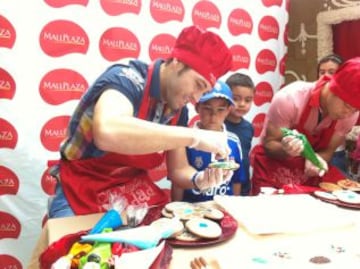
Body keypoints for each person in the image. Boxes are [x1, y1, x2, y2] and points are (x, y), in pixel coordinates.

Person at [47, 25, 233, 218]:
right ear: (177, 63)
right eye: (198, 85)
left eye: (204, 92)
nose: (196, 98)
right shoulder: (126, 79)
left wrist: (200, 179)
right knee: (75, 245)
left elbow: (178, 169)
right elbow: (108, 131)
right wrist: (194, 136)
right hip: (80, 189)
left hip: (131, 191)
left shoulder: (178, 111)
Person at [250, 57, 360, 195]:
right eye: (347, 105)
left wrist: (316, 159)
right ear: (333, 88)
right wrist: (286, 149)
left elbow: (328, 151)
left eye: (355, 110)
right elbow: (269, 144)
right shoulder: (290, 99)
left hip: (308, 178)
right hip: (272, 171)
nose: (348, 114)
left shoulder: (351, 114)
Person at [171, 81, 246, 202]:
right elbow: (177, 182)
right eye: (207, 108)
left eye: (220, 109)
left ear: (228, 110)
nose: (213, 115)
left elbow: (237, 181)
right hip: (191, 210)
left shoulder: (233, 141)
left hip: (222, 208)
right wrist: (175, 211)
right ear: (197, 108)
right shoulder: (185, 139)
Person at [224, 73, 255, 195]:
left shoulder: (248, 128)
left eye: (248, 100)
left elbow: (244, 158)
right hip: (222, 184)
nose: (242, 104)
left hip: (243, 185)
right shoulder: (217, 126)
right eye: (236, 98)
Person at [317, 54, 348, 176]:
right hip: (314, 153)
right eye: (322, 72)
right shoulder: (308, 95)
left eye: (331, 72)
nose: (326, 76)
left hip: (336, 154)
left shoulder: (348, 98)